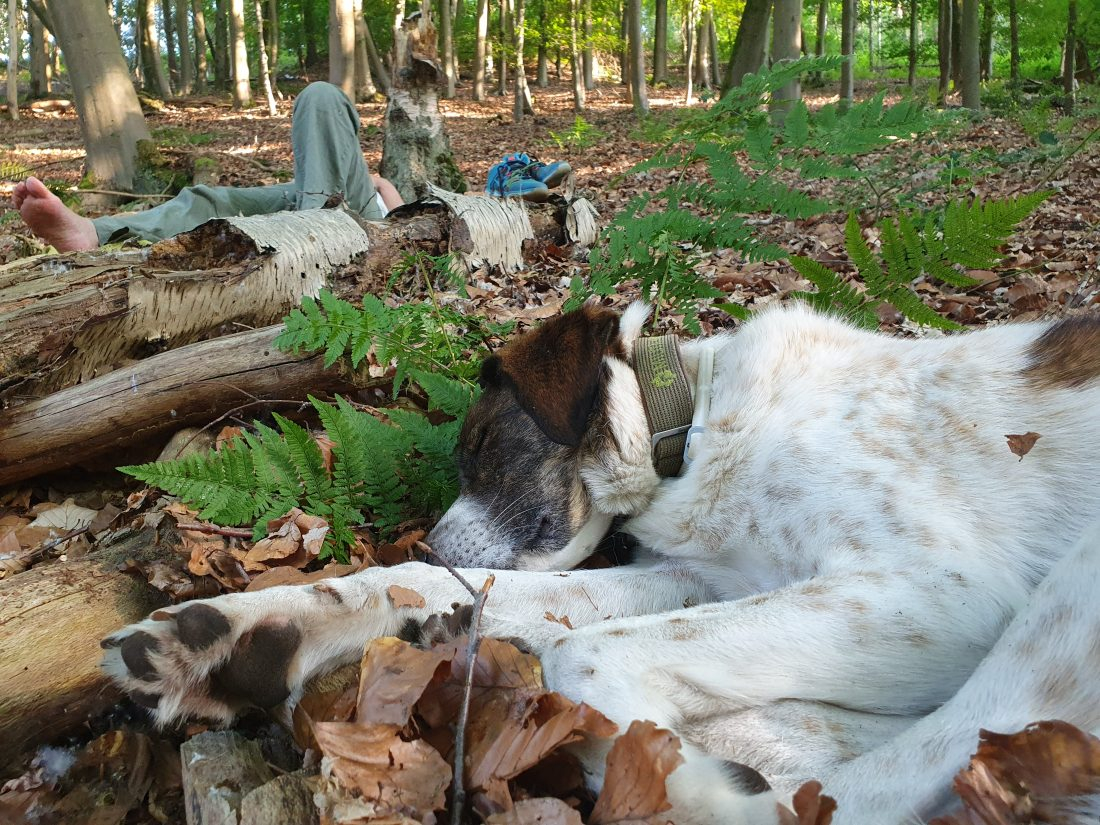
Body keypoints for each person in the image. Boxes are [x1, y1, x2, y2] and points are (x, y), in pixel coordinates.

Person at [12, 82, 404, 253]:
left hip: (373, 224)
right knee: (211, 200)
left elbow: (406, 219)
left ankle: (313, 236)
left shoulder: (448, 210)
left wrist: (381, 190)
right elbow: (376, 180)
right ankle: (94, 232)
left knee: (322, 94)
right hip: (316, 204)